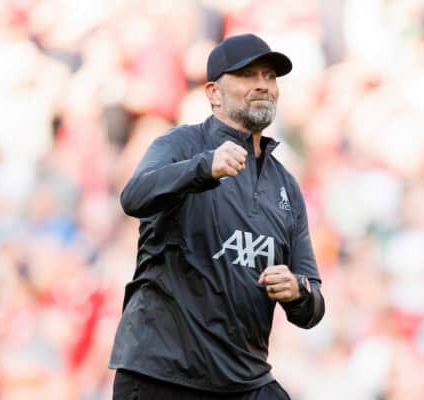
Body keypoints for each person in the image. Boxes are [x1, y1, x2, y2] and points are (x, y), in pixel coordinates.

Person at [109, 33, 325, 400]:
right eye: (248, 75)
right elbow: (134, 197)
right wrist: (203, 168)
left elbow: (313, 305)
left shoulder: (285, 184)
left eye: (270, 77)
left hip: (243, 380)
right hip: (163, 375)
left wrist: (297, 291)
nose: (263, 85)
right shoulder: (181, 146)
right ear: (213, 93)